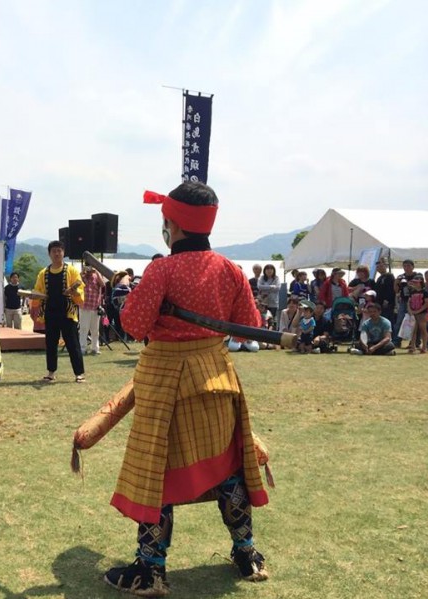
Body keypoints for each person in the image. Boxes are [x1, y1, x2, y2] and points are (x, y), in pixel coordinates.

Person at [103, 182, 268, 596]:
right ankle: (247, 553)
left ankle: (150, 569)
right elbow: (250, 324)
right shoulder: (230, 269)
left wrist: (133, 300)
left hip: (167, 387)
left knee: (156, 476)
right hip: (216, 380)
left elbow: (134, 326)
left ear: (171, 223)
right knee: (227, 470)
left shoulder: (161, 270)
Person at [31, 240, 86, 383]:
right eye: (54, 251)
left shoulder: (72, 271)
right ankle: (51, 373)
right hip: (50, 312)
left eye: (59, 250)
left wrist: (73, 291)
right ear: (49, 254)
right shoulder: (43, 273)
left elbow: (80, 289)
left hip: (67, 312)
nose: (57, 253)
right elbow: (38, 291)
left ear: (63, 253)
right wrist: (34, 297)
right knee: (50, 344)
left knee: (73, 343)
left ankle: (79, 373)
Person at [394, 259, 423, 347]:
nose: (406, 268)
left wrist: (409, 284)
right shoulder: (400, 277)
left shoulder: (417, 275)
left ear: (413, 267)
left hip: (415, 300)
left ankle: (415, 342)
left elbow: (419, 286)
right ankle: (396, 341)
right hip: (404, 301)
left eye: (408, 266)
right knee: (399, 321)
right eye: (405, 266)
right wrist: (396, 283)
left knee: (415, 321)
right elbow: (396, 291)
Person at [78, 265, 105, 355]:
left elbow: (103, 284)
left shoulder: (97, 276)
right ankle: (82, 348)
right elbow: (76, 282)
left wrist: (96, 270)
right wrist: (83, 272)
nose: (89, 270)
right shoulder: (82, 277)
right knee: (83, 329)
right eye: (87, 267)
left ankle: (95, 348)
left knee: (95, 330)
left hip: (95, 307)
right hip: (84, 306)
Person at [406, 277, 428, 354]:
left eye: (417, 282)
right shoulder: (412, 292)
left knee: (423, 330)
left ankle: (424, 347)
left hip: (422, 313)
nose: (415, 284)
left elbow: (427, 303)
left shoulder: (425, 292)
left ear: (421, 283)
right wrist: (410, 311)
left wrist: (418, 311)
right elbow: (408, 302)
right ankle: (412, 346)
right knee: (413, 330)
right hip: (413, 313)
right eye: (414, 282)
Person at [374, 259, 396, 326]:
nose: (379, 268)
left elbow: (391, 289)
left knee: (387, 320)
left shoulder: (389, 276)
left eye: (381, 266)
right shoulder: (379, 278)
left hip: (387, 303)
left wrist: (387, 300)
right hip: (379, 303)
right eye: (377, 267)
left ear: (385, 266)